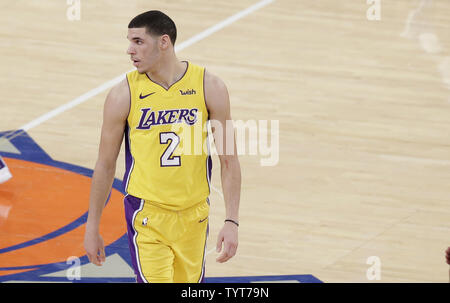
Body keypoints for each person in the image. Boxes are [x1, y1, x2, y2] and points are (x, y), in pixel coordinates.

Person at [84, 10, 241, 283]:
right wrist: (92, 226)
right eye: (129, 42)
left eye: (138, 41)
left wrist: (231, 220)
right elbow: (105, 165)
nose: (129, 50)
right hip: (147, 216)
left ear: (164, 42)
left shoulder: (210, 86)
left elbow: (229, 160)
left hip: (195, 215)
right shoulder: (123, 94)